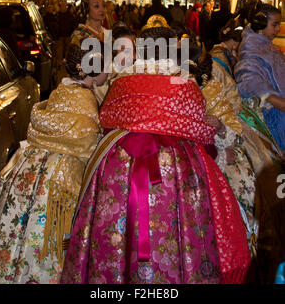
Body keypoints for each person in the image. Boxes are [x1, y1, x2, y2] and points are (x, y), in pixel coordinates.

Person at [61, 25, 251, 285]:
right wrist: (215, 131)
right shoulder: (182, 80)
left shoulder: (123, 80)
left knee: (115, 230)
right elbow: (198, 127)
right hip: (175, 166)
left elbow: (107, 118)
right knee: (180, 230)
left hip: (121, 164)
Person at [0, 42, 107, 284]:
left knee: (21, 226)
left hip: (32, 167)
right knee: (49, 236)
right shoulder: (85, 100)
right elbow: (88, 142)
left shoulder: (61, 92)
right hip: (60, 180)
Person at [235, 4, 285, 153]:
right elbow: (248, 81)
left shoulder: (263, 44)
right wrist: (276, 100)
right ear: (261, 24)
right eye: (274, 25)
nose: (278, 30)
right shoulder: (251, 47)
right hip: (274, 115)